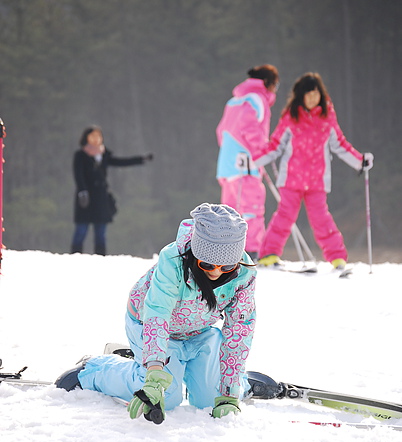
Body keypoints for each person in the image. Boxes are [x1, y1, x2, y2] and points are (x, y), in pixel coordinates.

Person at [56, 203, 257, 422]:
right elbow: (158, 314)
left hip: (198, 330)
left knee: (211, 400)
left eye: (226, 267)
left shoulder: (244, 274)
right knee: (166, 397)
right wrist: (153, 373)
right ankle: (96, 369)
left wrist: (229, 393)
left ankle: (240, 383)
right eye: (207, 265)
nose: (217, 273)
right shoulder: (173, 260)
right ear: (196, 254)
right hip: (150, 324)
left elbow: (240, 329)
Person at [254, 72, 374, 268]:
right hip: (291, 178)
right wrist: (252, 161)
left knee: (321, 219)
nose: (312, 98)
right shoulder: (291, 117)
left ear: (321, 95)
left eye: (315, 94)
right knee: (284, 217)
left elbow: (340, 145)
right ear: (300, 96)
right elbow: (275, 145)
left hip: (317, 179)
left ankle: (337, 257)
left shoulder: (327, 116)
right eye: (308, 94)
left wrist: (360, 161)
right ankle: (269, 255)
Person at [216, 64, 280, 262]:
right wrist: (262, 152)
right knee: (251, 208)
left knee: (229, 210)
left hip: (227, 166)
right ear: (268, 83)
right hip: (245, 165)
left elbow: (221, 131)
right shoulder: (256, 99)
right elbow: (249, 127)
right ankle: (251, 253)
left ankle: (226, 253)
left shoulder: (234, 100)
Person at [71, 125, 153, 255]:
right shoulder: (80, 155)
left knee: (101, 232)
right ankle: (75, 257)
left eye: (98, 136)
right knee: (81, 229)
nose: (96, 139)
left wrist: (141, 159)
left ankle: (101, 257)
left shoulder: (104, 154)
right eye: (93, 136)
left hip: (100, 198)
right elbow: (78, 174)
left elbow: (121, 162)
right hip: (85, 197)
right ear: (86, 138)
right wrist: (82, 191)